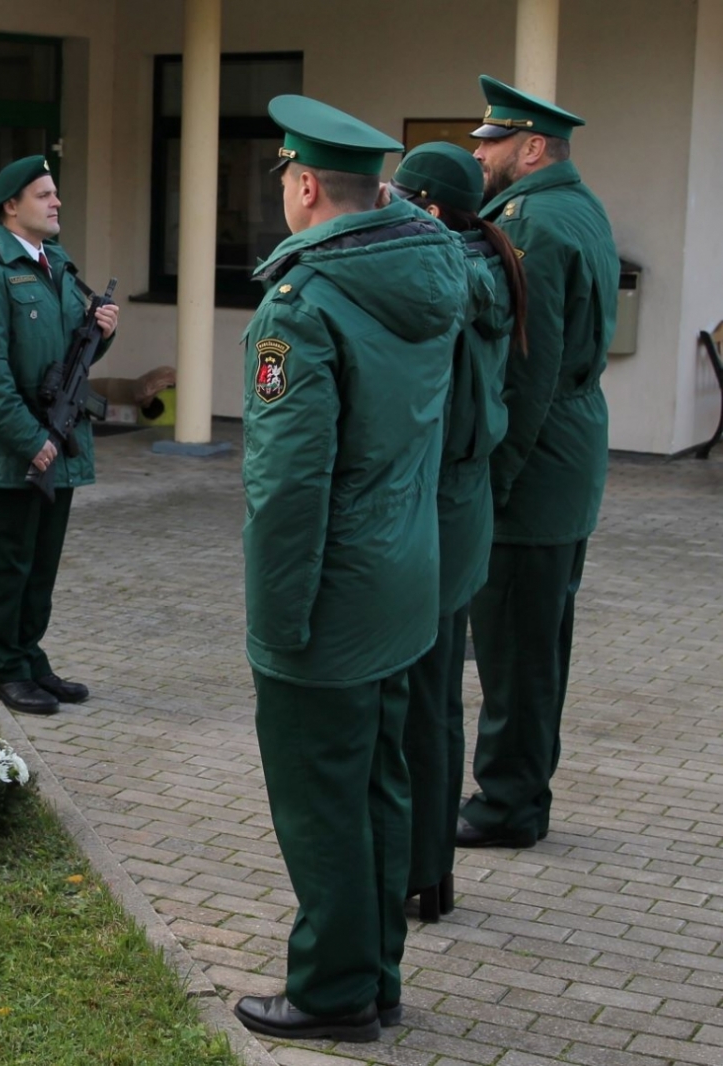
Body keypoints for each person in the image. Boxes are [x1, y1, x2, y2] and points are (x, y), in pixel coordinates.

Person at [234, 97, 468, 1042]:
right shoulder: (426, 271)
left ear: (301, 185)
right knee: (379, 783)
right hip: (405, 577)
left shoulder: (305, 305)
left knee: (322, 798)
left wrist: (276, 622)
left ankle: (332, 993)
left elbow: (288, 491)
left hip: (332, 596)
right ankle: (376, 975)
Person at [457, 76, 619, 850]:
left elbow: (527, 371)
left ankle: (508, 804)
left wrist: (494, 480)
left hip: (536, 465)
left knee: (517, 651)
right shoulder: (576, 205)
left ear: (531, 148)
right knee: (538, 641)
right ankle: (522, 791)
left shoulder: (534, 222)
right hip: (569, 454)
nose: (478, 153)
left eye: (491, 142)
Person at [387, 143, 524, 921]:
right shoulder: (480, 264)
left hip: (439, 504)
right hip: (457, 504)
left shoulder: (460, 274)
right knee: (433, 699)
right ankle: (427, 871)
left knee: (423, 701)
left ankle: (419, 871)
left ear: (432, 211)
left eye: (400, 199)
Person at [0, 156, 118, 716]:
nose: (56, 202)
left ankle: (29, 655)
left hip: (61, 439)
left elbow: (70, 355)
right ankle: (4, 668)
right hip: (19, 446)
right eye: (44, 195)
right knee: (12, 558)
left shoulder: (58, 264)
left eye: (55, 193)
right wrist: (28, 437)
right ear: (11, 206)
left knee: (43, 561)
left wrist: (102, 335)